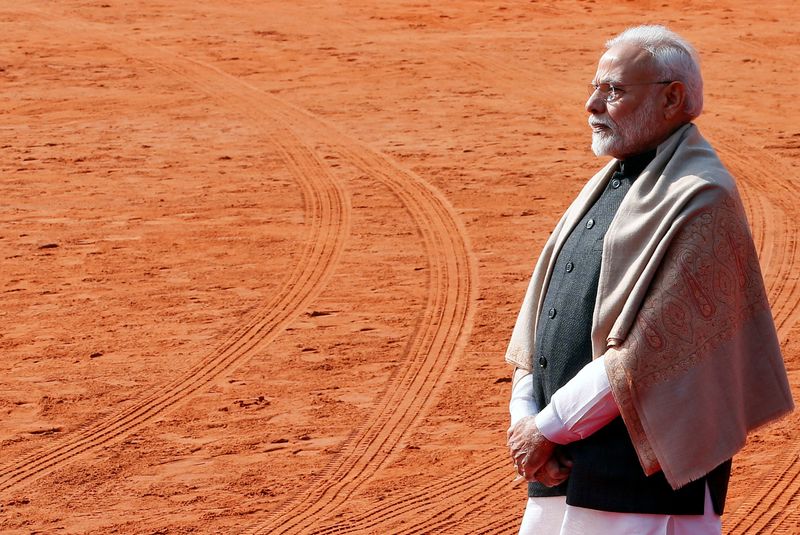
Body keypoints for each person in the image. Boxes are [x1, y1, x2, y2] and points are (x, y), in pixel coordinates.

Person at [504, 24, 794, 534]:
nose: (593, 104)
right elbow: (543, 318)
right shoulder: (611, 182)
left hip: (643, 492)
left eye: (613, 90)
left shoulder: (703, 197)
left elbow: (650, 351)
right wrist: (525, 421)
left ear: (673, 99)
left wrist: (546, 428)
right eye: (594, 88)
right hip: (561, 471)